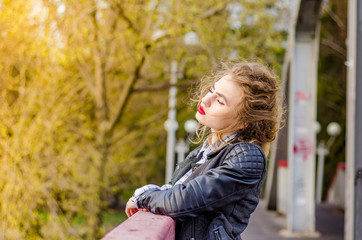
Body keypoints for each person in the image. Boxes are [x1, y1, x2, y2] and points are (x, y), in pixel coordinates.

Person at [125, 61, 282, 240]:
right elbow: (176, 189)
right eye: (211, 91)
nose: (206, 100)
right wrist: (154, 193)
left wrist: (143, 196)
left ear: (243, 121)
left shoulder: (247, 157)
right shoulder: (205, 150)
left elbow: (183, 200)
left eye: (220, 101)